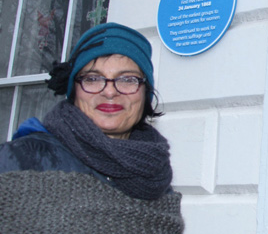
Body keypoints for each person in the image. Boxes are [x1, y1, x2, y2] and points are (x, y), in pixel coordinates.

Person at [0, 23, 184, 233]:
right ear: (74, 90)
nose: (109, 91)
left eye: (127, 79)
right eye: (93, 78)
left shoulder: (154, 176)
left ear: (145, 93)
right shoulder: (17, 160)